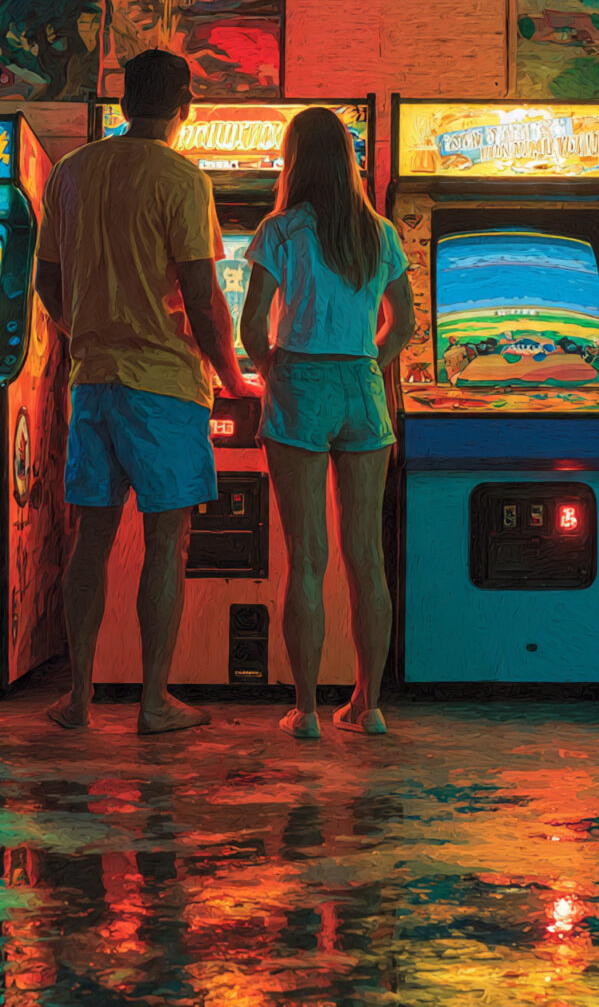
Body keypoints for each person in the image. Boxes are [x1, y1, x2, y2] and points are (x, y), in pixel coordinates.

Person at [34, 49, 259, 735]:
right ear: (184, 104)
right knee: (167, 541)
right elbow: (200, 291)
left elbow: (47, 284)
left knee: (90, 541)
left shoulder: (70, 173)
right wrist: (233, 378)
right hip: (162, 384)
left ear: (123, 100)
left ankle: (77, 699)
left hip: (92, 383)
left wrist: (91, 332)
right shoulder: (180, 176)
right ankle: (154, 702)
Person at [239, 107, 416, 739]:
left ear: (294, 160)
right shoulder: (379, 233)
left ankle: (308, 710)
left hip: (301, 387)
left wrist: (273, 371)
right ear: (347, 158)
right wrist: (372, 361)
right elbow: (407, 324)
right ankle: (369, 707)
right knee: (365, 557)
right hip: (363, 387)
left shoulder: (279, 230)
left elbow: (251, 323)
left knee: (306, 558)